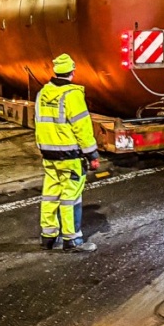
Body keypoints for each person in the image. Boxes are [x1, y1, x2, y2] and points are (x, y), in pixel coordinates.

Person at [35, 53, 101, 253]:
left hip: (49, 154)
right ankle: (71, 240)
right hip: (69, 155)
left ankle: (48, 236)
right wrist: (92, 154)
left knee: (50, 195)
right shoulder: (72, 95)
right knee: (70, 197)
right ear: (72, 71)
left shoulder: (43, 93)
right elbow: (82, 127)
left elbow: (39, 123)